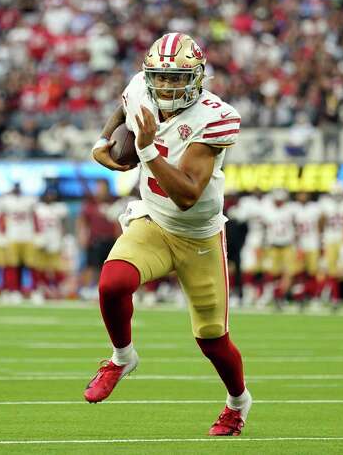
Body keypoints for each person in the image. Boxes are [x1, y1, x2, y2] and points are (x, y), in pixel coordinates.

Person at [87, 33, 252, 436]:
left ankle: (238, 403)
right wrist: (103, 141)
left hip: (199, 235)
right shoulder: (140, 87)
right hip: (153, 222)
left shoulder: (215, 116)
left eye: (177, 79)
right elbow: (123, 106)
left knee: (212, 340)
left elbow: (187, 195)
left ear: (197, 79)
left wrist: (146, 152)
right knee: (112, 284)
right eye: (160, 77)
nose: (166, 87)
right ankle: (122, 356)